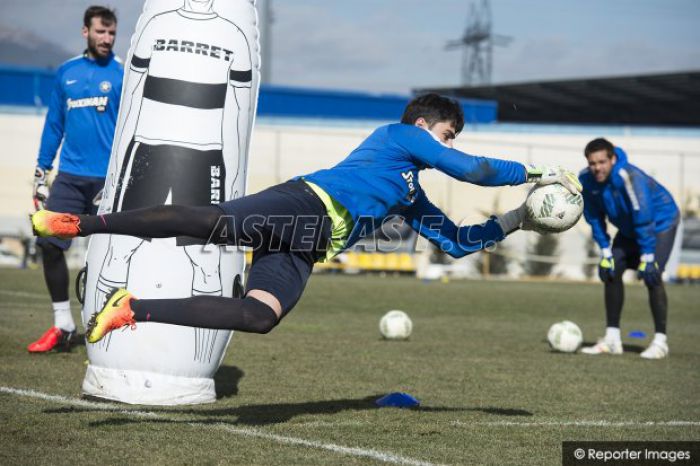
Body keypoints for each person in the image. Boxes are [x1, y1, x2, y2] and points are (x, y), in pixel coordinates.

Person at [31, 93, 581, 344]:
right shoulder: (399, 135)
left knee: (259, 317)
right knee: (205, 222)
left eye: (450, 139)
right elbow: (475, 170)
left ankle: (133, 309)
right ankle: (79, 225)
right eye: (447, 135)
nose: (450, 145)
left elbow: (458, 243)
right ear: (422, 125)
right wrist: (537, 172)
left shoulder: (410, 194)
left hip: (306, 245)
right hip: (305, 203)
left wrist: (519, 221)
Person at [28, 6, 123, 353]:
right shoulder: (66, 72)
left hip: (106, 182)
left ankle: (111, 327)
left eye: (111, 33)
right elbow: (54, 125)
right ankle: (62, 325)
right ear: (86, 31)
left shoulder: (123, 74)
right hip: (69, 177)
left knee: (109, 257)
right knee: (48, 244)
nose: (107, 39)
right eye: (101, 32)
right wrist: (41, 172)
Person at [579, 138, 680, 359]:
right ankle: (612, 339)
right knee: (611, 269)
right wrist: (605, 252)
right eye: (592, 163)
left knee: (651, 274)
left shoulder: (629, 177)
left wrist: (648, 255)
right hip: (629, 229)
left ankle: (660, 342)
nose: (597, 168)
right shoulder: (586, 181)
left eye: (602, 162)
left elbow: (643, 217)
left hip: (660, 223)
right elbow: (594, 218)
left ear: (612, 159)